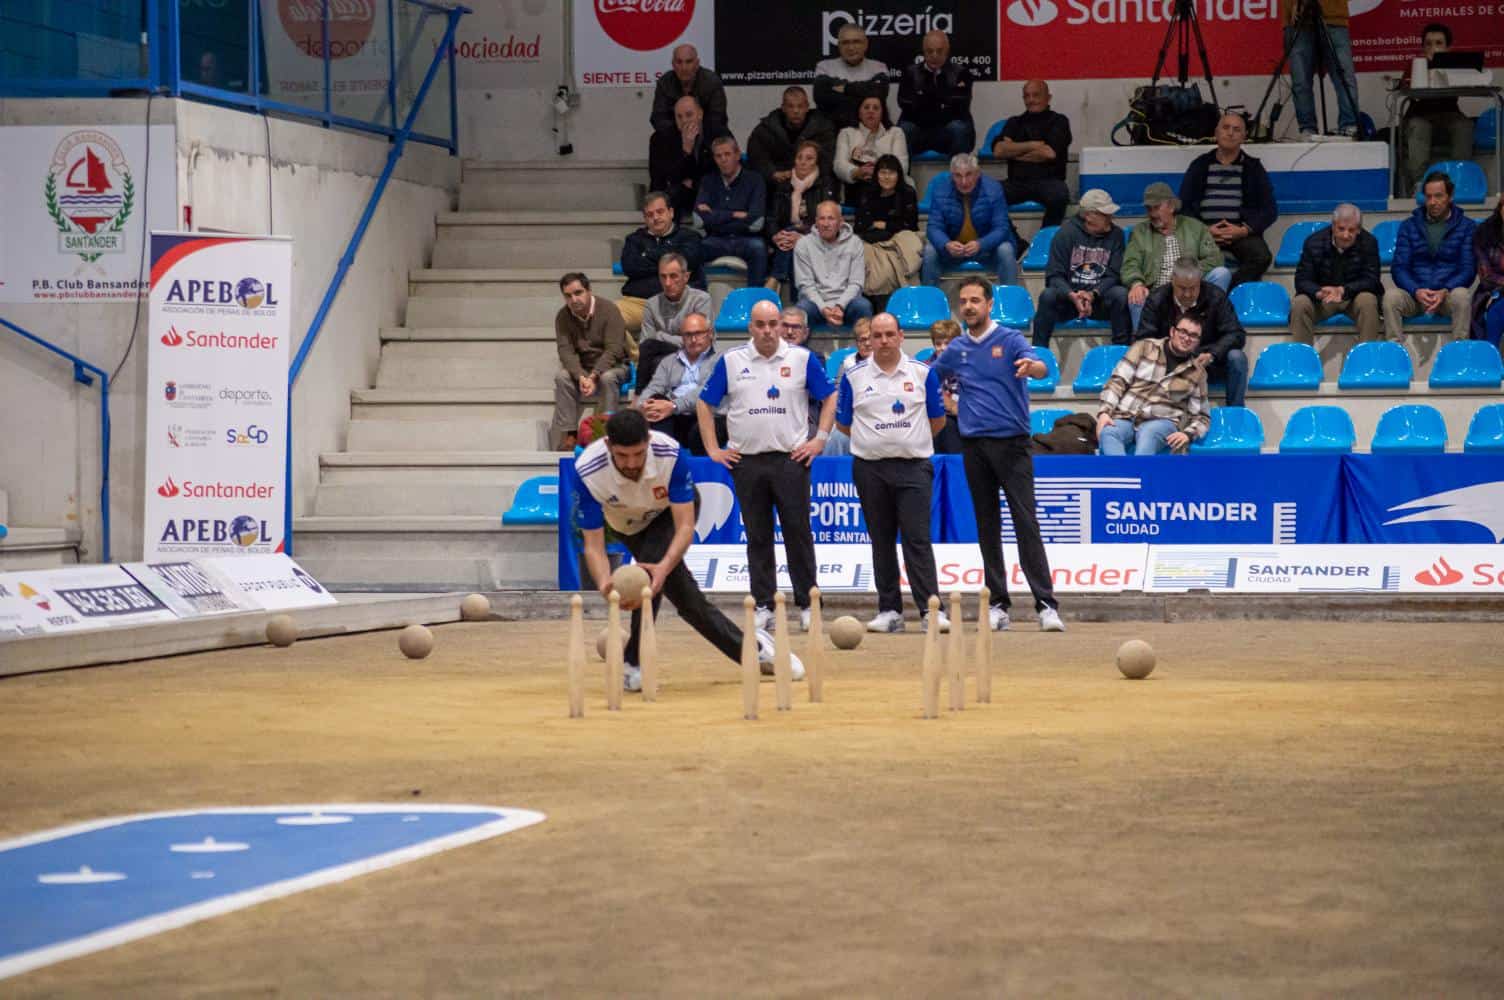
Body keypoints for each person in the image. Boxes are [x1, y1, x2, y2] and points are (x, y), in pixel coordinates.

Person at [569, 408, 793, 693]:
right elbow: (594, 545)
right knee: (689, 602)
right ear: (608, 445)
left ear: (649, 441)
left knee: (651, 570)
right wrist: (604, 584)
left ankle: (633, 661)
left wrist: (662, 568)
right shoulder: (588, 471)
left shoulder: (669, 453)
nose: (631, 463)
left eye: (638, 454)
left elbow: (685, 526)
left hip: (670, 515)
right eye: (622, 456)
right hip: (629, 527)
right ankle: (754, 651)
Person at [930, 277, 1064, 633]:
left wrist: (1031, 368)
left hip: (1013, 445)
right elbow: (929, 377)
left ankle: (1046, 605)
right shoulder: (956, 348)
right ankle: (998, 604)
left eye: (975, 300)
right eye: (963, 301)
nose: (969, 306)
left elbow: (1040, 366)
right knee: (987, 526)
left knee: (1026, 523)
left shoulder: (1010, 339)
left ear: (989, 305)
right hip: (974, 446)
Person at [697, 299, 837, 632]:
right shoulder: (732, 361)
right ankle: (763, 604)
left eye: (774, 324)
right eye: (760, 324)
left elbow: (830, 396)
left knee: (798, 533)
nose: (768, 331)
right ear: (751, 327)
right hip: (746, 462)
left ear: (782, 326)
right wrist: (713, 449)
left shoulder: (801, 359)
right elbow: (704, 403)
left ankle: (808, 604)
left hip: (791, 459)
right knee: (757, 536)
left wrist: (820, 438)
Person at [835, 312, 947, 633]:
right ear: (869, 339)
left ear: (901, 336)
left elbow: (938, 420)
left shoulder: (923, 373)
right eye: (877, 335)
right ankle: (889, 611)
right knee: (881, 541)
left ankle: (931, 610)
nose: (883, 341)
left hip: (914, 467)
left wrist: (907, 441)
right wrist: (876, 442)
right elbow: (844, 423)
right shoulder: (854, 376)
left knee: (917, 540)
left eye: (889, 334)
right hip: (870, 469)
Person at [1179, 113, 1277, 288]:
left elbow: (1269, 210)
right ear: (1216, 133)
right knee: (1180, 255)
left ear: (1244, 137)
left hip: (1240, 233)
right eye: (1226, 128)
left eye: (1236, 129)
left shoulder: (1253, 167)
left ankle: (1228, 293)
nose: (1230, 133)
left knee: (1261, 257)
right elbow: (1183, 207)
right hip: (1204, 233)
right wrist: (1204, 231)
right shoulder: (1200, 165)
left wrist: (1243, 230)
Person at [1135, 258, 1249, 407]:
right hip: (1171, 365)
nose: (1188, 294)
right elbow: (1144, 339)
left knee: (1237, 357)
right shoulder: (1157, 299)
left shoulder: (1216, 296)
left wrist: (1212, 354)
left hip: (1207, 362)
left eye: (1193, 288)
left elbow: (1236, 333)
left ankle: (1236, 412)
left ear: (1200, 281)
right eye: (1182, 288)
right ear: (1172, 281)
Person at [1121, 182, 1231, 333]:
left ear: (1171, 207)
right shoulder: (1140, 232)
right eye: (1148, 209)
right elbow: (1130, 263)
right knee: (1136, 296)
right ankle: (1145, 343)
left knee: (1222, 273)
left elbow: (1215, 258)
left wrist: (1188, 275)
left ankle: (1208, 331)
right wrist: (1136, 283)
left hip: (1191, 289)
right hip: (1157, 294)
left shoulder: (1195, 227)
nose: (1152, 213)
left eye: (1156, 207)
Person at [1383, 170, 1478, 343]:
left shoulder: (1467, 227)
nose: (1433, 202)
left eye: (1438, 196)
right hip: (1415, 295)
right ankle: (1394, 352)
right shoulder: (1409, 226)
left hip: (1447, 295)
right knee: (1391, 298)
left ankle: (1460, 350)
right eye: (1428, 197)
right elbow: (1399, 268)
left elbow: (1468, 269)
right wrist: (1416, 290)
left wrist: (1445, 290)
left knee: (1462, 295)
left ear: (1450, 196)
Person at [1096, 314, 1211, 456]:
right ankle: (1124, 471)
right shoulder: (1144, 347)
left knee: (1149, 434)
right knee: (1108, 432)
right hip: (1125, 415)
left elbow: (1202, 416)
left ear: (1198, 342)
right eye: (1183, 332)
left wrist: (1188, 434)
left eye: (1193, 336)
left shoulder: (1198, 373)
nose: (1187, 338)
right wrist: (1105, 412)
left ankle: (1137, 471)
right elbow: (1117, 381)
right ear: (1172, 331)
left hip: (1161, 421)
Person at [1032, 189, 1130, 348]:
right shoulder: (1065, 234)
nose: (1110, 218)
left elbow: (1114, 275)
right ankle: (1038, 354)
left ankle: (1121, 352)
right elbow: (1054, 276)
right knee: (1047, 296)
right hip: (1069, 300)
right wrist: (1072, 296)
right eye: (1105, 215)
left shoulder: (1116, 235)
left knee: (1121, 294)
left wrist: (1093, 294)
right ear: (1088, 215)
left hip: (1099, 299)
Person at [551, 272, 629, 451]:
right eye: (568, 296)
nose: (574, 299)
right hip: (584, 367)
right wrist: (581, 376)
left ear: (589, 291)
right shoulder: (563, 316)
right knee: (562, 377)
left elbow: (614, 350)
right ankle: (570, 434)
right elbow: (565, 351)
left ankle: (603, 433)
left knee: (607, 378)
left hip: (614, 365)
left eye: (578, 293)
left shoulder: (609, 310)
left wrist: (594, 376)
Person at [1289, 204, 1383, 344]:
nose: (1346, 235)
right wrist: (1318, 292)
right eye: (1341, 229)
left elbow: (1372, 279)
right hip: (1322, 300)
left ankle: (1366, 355)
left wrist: (1343, 290)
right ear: (1333, 226)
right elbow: (1302, 279)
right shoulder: (1313, 242)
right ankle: (1303, 356)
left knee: (1368, 300)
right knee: (1299, 303)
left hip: (1353, 297)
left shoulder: (1369, 242)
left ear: (1359, 230)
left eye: (1351, 230)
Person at [921, 153, 1020, 286]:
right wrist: (946, 244)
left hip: (987, 250)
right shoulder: (941, 190)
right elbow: (933, 227)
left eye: (968, 174)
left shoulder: (994, 188)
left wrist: (981, 244)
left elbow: (1002, 228)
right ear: (952, 176)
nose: (964, 182)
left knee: (1006, 249)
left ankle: (1010, 297)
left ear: (978, 174)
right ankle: (929, 298)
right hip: (952, 252)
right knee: (929, 251)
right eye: (958, 175)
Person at [1400, 24, 1474, 194]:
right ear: (1422, 47)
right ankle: (1419, 183)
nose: (1433, 48)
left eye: (1439, 43)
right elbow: (1405, 88)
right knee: (1419, 127)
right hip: (1420, 115)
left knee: (1464, 126)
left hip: (1449, 114)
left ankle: (1460, 180)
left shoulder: (1455, 65)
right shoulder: (1415, 65)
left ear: (1448, 48)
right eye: (1428, 44)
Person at [618, 192, 704, 335]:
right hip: (639, 303)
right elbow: (630, 267)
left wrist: (647, 254)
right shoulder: (634, 240)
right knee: (608, 318)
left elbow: (689, 261)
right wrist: (670, 259)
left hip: (680, 305)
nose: (655, 218)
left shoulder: (689, 237)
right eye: (650, 214)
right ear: (645, 218)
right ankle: (635, 350)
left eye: (660, 212)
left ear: (671, 212)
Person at [638, 311, 723, 454]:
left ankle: (669, 455)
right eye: (688, 335)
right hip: (674, 417)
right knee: (655, 400)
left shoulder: (722, 359)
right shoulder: (669, 361)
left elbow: (706, 391)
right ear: (682, 337)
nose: (693, 339)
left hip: (706, 416)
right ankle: (665, 455)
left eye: (698, 333)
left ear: (710, 333)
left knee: (699, 429)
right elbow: (654, 387)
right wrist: (644, 403)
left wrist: (674, 405)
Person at [990, 80, 1072, 227]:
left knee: (1060, 195)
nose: (1031, 100)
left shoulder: (1059, 121)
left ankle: (1045, 238)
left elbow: (1048, 153)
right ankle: (1013, 238)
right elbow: (999, 151)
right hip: (1016, 183)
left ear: (1048, 97)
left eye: (1036, 95)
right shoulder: (1014, 122)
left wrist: (1013, 151)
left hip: (1049, 181)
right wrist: (1033, 145)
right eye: (1027, 96)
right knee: (986, 193)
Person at [635, 251, 714, 394]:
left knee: (657, 359)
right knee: (651, 352)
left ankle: (639, 397)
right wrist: (678, 340)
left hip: (695, 359)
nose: (667, 283)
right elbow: (645, 343)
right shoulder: (651, 304)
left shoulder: (701, 300)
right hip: (660, 358)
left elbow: (699, 342)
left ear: (686, 277)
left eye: (673, 276)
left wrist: (660, 335)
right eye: (663, 276)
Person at [1280, 0, 1359, 141]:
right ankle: (1307, 129)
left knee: (1344, 77)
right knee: (1301, 81)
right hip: (1297, 19)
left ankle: (1349, 126)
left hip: (1333, 17)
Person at [767, 140, 840, 292]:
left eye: (809, 158)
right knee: (792, 243)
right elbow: (772, 218)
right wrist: (775, 235)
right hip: (787, 238)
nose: (803, 162)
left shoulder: (825, 185)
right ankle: (796, 299)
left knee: (796, 242)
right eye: (799, 157)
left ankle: (775, 278)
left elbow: (827, 223)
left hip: (817, 239)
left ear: (817, 162)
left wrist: (803, 237)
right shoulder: (784, 185)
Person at [695, 136, 768, 288]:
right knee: (693, 248)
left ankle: (754, 300)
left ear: (737, 155)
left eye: (727, 154)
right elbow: (699, 220)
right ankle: (701, 300)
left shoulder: (755, 180)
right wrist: (734, 215)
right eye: (718, 156)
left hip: (746, 240)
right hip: (716, 240)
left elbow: (756, 223)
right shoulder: (708, 181)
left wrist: (715, 215)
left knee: (759, 248)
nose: (723, 160)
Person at [896, 30, 976, 158]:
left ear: (947, 50)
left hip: (946, 132)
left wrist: (923, 99)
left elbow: (960, 107)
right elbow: (905, 104)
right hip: (919, 130)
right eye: (930, 51)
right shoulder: (910, 73)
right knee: (904, 129)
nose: (934, 55)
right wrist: (942, 101)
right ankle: (902, 171)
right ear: (923, 51)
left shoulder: (961, 73)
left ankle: (959, 170)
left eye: (939, 51)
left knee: (959, 129)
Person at [794, 201, 873, 331]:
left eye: (831, 218)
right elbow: (805, 285)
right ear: (816, 222)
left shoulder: (855, 243)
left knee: (863, 306)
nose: (826, 224)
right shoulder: (803, 244)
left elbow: (856, 283)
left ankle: (865, 344)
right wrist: (824, 308)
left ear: (841, 222)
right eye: (822, 218)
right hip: (816, 304)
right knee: (802, 308)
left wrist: (840, 306)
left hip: (847, 304)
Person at [854, 153, 923, 297]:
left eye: (891, 173)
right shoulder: (867, 193)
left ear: (898, 175)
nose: (886, 177)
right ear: (876, 174)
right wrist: (880, 226)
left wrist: (885, 225)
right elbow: (860, 225)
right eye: (883, 172)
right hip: (872, 240)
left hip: (900, 239)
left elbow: (910, 225)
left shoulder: (907, 193)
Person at [649, 97, 725, 223]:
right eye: (679, 117)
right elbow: (667, 177)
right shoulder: (662, 138)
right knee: (670, 196)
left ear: (700, 114)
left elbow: (722, 170)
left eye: (689, 115)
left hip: (709, 191)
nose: (684, 121)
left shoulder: (717, 134)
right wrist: (687, 150)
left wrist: (694, 183)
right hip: (679, 194)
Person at [748, 87, 837, 193]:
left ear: (807, 107)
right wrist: (772, 173)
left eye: (800, 106)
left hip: (814, 185)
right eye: (790, 106)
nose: (796, 111)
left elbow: (827, 160)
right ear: (783, 108)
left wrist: (803, 174)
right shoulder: (766, 129)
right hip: (776, 186)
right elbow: (757, 158)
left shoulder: (823, 128)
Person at [835, 96, 909, 209]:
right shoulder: (846, 133)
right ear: (859, 113)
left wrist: (880, 173)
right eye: (866, 107)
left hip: (889, 182)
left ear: (882, 113)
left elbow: (902, 164)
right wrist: (857, 172)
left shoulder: (895, 133)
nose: (871, 111)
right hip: (858, 184)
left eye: (876, 108)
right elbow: (839, 164)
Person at [813, 22, 889, 130]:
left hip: (869, 130)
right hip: (834, 130)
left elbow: (879, 93)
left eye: (856, 42)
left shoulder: (879, 67)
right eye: (845, 43)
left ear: (866, 44)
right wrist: (863, 92)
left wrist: (844, 88)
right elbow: (821, 96)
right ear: (839, 45)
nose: (851, 47)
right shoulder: (824, 67)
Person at [649, 44, 728, 138]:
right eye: (679, 62)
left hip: (707, 134)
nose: (684, 68)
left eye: (689, 62)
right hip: (675, 134)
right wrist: (682, 133)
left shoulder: (712, 82)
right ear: (673, 64)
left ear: (697, 63)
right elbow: (658, 117)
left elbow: (718, 118)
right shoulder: (664, 82)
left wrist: (694, 132)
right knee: (656, 138)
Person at [927, 319, 964, 454]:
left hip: (959, 422)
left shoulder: (967, 367)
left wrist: (951, 405)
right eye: (938, 344)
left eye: (948, 343)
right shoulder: (924, 368)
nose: (943, 348)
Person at [1472, 198, 1504, 347]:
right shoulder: (1484, 233)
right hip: (1492, 291)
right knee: (1497, 309)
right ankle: (1491, 356)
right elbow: (1486, 276)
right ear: (1500, 208)